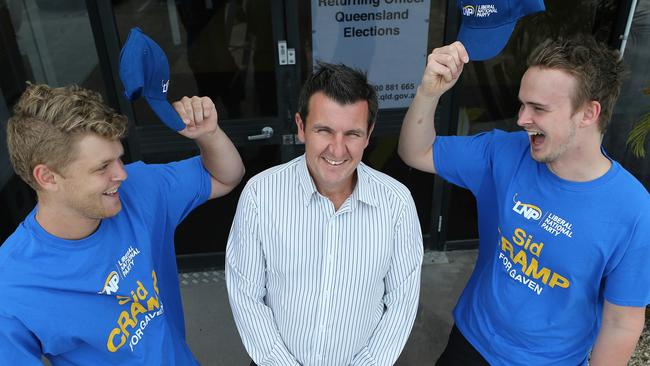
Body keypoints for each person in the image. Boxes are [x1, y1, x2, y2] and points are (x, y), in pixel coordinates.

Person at [398, 35, 650, 365]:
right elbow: (416, 152)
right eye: (523, 103)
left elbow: (622, 322)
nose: (521, 119)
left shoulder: (634, 210)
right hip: (471, 342)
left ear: (588, 113)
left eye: (539, 109)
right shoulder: (504, 153)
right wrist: (428, 93)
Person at [0, 83, 245, 364]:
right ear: (47, 177)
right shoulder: (12, 288)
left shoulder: (138, 189)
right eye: (102, 167)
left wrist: (208, 135)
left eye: (119, 158)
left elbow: (225, 177)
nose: (122, 174)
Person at [226, 62, 423, 365]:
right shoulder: (260, 195)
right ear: (301, 127)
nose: (337, 149)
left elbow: (402, 302)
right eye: (324, 130)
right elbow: (246, 295)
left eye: (352, 134)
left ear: (368, 135)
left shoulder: (397, 204)